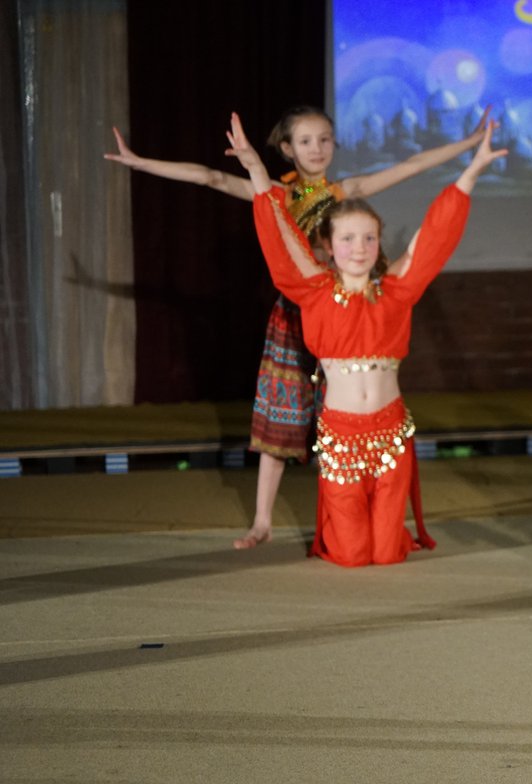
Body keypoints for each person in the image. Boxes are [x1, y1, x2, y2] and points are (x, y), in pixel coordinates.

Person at [106, 107, 491, 550]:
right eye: (306, 141)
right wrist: (141, 163)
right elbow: (210, 178)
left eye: (325, 139)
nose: (317, 149)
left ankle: (363, 514)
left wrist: (469, 145)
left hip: (351, 313)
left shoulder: (346, 191)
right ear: (287, 148)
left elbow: (412, 165)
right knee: (281, 418)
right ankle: (262, 521)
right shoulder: (276, 193)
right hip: (300, 313)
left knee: (356, 411)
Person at [223, 112, 505, 567]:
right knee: (352, 555)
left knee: (388, 554)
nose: (359, 248)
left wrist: (471, 172)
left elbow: (434, 236)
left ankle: (389, 531)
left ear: (378, 243)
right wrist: (256, 170)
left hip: (391, 434)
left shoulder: (396, 292)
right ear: (329, 246)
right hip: (341, 437)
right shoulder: (313, 293)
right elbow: (281, 239)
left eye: (369, 238)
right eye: (349, 239)